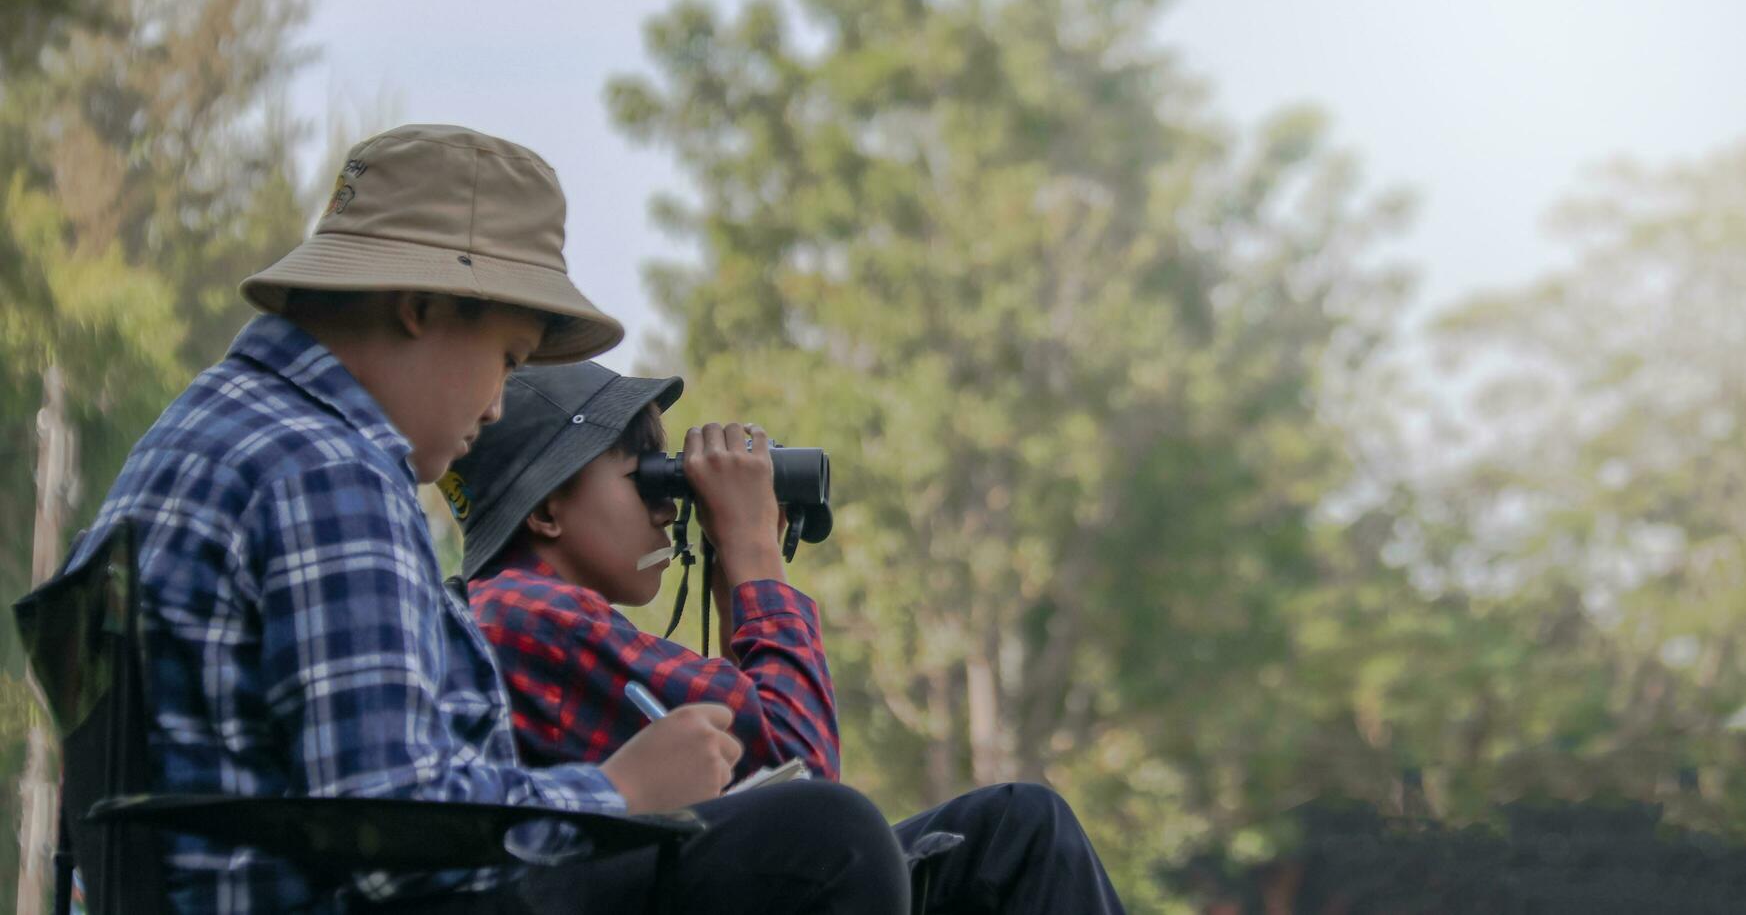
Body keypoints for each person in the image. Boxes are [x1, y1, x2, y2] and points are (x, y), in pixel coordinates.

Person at [59, 123, 909, 914]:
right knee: (825, 838)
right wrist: (620, 793)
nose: (501, 406)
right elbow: (390, 820)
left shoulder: (219, 429)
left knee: (953, 833)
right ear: (422, 306)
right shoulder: (325, 470)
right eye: (506, 357)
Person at [449, 360, 1128, 915]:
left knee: (1017, 829)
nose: (667, 505)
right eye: (645, 478)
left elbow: (759, 785)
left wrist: (740, 590)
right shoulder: (527, 614)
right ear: (544, 508)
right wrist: (750, 552)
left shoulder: (526, 615)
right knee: (856, 834)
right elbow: (804, 790)